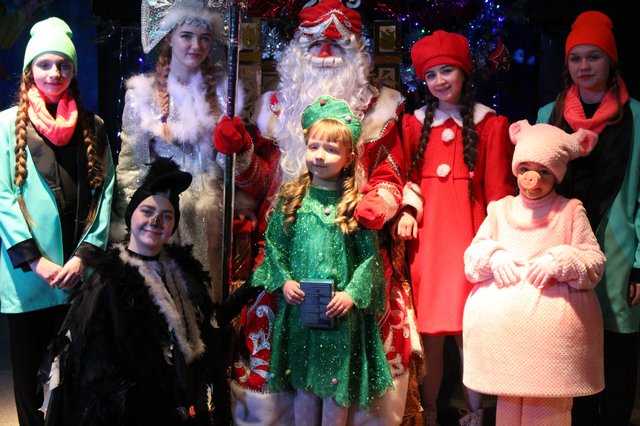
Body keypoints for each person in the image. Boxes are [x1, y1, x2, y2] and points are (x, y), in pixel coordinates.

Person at [213, 1, 417, 423]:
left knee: (377, 312)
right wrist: (243, 153)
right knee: (266, 312)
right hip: (288, 246)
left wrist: (377, 203)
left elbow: (390, 174)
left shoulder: (380, 109)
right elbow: (259, 185)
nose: (324, 53)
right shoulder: (274, 109)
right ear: (296, 51)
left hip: (353, 240)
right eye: (314, 43)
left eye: (335, 43)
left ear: (356, 51)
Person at [39, 157, 259, 425]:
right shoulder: (110, 280)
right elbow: (97, 372)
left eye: (167, 216)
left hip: (182, 409)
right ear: (131, 215)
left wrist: (255, 283)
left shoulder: (182, 271)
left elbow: (210, 321)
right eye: (147, 211)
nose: (156, 221)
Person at [394, 30, 516, 426]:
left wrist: (497, 242)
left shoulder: (490, 124)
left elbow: (498, 190)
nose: (439, 81)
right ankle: (428, 411)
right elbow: (405, 177)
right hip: (428, 241)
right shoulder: (413, 125)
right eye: (431, 75)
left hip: (470, 236)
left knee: (470, 332)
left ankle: (476, 413)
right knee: (430, 334)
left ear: (464, 72)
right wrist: (407, 211)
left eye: (447, 71)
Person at [249, 95, 392, 425]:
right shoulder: (293, 200)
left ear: (348, 157)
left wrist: (352, 294)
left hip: (339, 315)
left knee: (335, 387)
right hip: (301, 311)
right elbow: (274, 245)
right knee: (304, 383)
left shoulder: (355, 205)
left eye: (330, 149)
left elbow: (369, 259)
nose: (320, 155)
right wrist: (284, 281)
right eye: (314, 146)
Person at [0, 17, 114, 426]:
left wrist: (83, 257)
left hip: (76, 277)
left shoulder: (94, 127)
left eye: (63, 65)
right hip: (31, 280)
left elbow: (105, 195)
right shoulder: (5, 125)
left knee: (76, 376)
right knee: (30, 381)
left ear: (73, 70)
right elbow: (3, 199)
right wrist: (36, 262)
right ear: (30, 69)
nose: (54, 73)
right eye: (45, 64)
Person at [463, 120, 606, 425]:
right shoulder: (500, 210)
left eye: (544, 171)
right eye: (526, 168)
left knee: (548, 411)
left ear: (557, 175)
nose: (533, 179)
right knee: (508, 408)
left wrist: (560, 260)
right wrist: (494, 255)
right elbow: (472, 259)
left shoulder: (570, 211)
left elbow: (594, 262)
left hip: (550, 346)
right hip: (506, 340)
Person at [536, 10, 640, 425]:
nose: (584, 66)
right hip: (563, 249)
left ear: (610, 61)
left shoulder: (637, 118)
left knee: (618, 347)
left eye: (593, 57)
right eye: (576, 58)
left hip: (619, 250)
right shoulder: (549, 115)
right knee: (571, 344)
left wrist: (639, 264)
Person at [113, 0, 252, 302]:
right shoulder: (143, 96)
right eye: (187, 36)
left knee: (209, 299)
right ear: (170, 37)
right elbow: (131, 166)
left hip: (212, 216)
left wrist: (236, 147)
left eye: (205, 38)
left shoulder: (225, 95)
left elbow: (236, 169)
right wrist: (135, 222)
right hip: (163, 215)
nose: (196, 46)